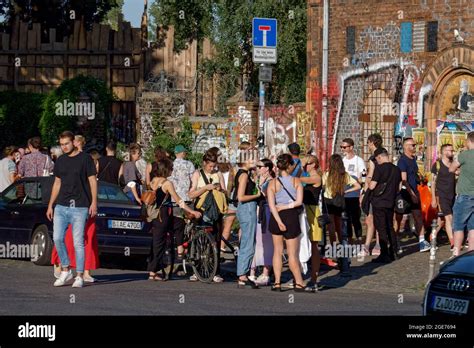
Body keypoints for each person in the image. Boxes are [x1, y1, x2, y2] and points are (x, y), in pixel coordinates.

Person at [46, 131, 97, 288]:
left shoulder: (85, 159)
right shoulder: (60, 160)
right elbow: (57, 183)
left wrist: (94, 202)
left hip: (81, 206)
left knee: (77, 243)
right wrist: (50, 205)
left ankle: (80, 275)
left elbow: (92, 181)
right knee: (57, 238)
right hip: (61, 205)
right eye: (61, 144)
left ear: (74, 142)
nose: (64, 147)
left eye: (66, 143)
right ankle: (66, 269)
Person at [147, 158, 201, 281]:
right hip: (164, 215)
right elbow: (179, 201)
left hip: (154, 215)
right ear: (166, 170)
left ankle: (155, 268)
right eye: (171, 168)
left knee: (157, 241)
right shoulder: (167, 183)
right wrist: (192, 211)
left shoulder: (153, 181)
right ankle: (153, 271)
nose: (172, 170)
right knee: (161, 242)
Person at [267, 154, 305, 292]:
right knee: (292, 253)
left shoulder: (272, 183)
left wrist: (278, 220)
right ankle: (299, 282)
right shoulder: (296, 181)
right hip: (291, 216)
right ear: (289, 166)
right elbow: (299, 202)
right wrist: (286, 206)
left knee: (277, 251)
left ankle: (277, 282)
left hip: (276, 217)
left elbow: (271, 206)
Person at [188, 151, 226, 283]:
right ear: (204, 163)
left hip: (216, 210)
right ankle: (197, 270)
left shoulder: (218, 174)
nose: (212, 168)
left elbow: (225, 191)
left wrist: (220, 189)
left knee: (215, 240)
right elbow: (191, 194)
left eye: (214, 166)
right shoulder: (197, 174)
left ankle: (216, 271)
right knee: (199, 241)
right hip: (202, 210)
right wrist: (206, 188)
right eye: (210, 166)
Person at [232, 143, 261, 289]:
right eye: (252, 159)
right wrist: (256, 195)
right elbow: (241, 197)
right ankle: (242, 274)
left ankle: (243, 273)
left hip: (247, 208)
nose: (255, 161)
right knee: (248, 242)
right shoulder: (243, 175)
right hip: (247, 208)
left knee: (248, 241)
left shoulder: (244, 173)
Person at [395, 137, 431, 253]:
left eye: (414, 145)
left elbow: (413, 174)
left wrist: (420, 179)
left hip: (415, 192)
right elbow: (404, 180)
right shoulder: (402, 161)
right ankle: (395, 241)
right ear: (405, 147)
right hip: (405, 193)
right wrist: (411, 193)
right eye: (412, 145)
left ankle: (421, 241)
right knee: (398, 219)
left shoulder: (413, 159)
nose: (414, 147)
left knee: (418, 216)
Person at [368, 148, 402, 263]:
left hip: (379, 202)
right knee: (390, 227)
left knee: (381, 228)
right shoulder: (397, 170)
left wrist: (368, 178)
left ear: (379, 157)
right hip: (390, 202)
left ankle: (384, 254)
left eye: (377, 160)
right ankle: (394, 252)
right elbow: (398, 187)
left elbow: (372, 186)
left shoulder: (379, 168)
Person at [322, 154, 361, 244]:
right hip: (340, 200)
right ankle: (342, 244)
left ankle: (333, 245)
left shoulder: (327, 174)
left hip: (328, 201)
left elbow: (322, 186)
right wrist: (346, 191)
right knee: (339, 225)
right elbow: (358, 186)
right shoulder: (344, 175)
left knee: (331, 226)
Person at [249, 158, 275, 286]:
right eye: (257, 167)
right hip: (258, 212)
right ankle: (252, 272)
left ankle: (266, 273)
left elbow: (267, 195)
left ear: (267, 169)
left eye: (260, 167)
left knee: (266, 242)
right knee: (256, 241)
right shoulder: (259, 180)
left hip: (267, 214)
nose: (257, 169)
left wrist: (260, 184)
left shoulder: (271, 181)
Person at [300, 154, 323, 292]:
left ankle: (314, 279)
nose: (305, 166)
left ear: (314, 164)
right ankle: (300, 276)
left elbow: (298, 179)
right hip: (303, 211)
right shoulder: (307, 176)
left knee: (314, 245)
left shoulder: (316, 177)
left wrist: (299, 166)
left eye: (307, 164)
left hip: (313, 212)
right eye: (304, 165)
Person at [168, 144, 195, 259]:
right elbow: (194, 181)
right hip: (187, 198)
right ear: (183, 153)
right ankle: (189, 246)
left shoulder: (170, 165)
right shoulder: (189, 164)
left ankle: (179, 248)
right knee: (191, 224)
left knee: (177, 225)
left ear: (175, 153)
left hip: (174, 199)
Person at [449, 131, 474, 256]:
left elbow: (451, 168)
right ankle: (471, 254)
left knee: (458, 224)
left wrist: (460, 171)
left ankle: (456, 253)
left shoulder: (465, 155)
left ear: (469, 141)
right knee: (473, 226)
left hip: (465, 194)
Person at [359, 133, 383, 257]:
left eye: (368, 143)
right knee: (373, 219)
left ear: (372, 143)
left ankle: (370, 246)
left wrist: (364, 191)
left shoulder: (373, 158)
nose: (367, 145)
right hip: (382, 192)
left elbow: (370, 176)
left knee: (371, 219)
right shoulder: (384, 155)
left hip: (374, 191)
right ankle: (373, 245)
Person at [430, 144, 456, 251]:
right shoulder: (437, 165)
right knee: (449, 218)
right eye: (450, 150)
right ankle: (453, 243)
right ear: (444, 152)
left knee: (442, 221)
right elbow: (433, 182)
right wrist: (433, 198)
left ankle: (432, 236)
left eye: (452, 150)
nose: (452, 152)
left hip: (452, 195)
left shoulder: (454, 164)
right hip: (441, 195)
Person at [341, 138, 365, 244]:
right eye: (341, 147)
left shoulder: (358, 160)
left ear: (351, 147)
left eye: (345, 147)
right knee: (346, 218)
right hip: (344, 193)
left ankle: (359, 236)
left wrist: (355, 181)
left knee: (355, 217)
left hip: (355, 193)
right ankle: (350, 239)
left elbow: (363, 177)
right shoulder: (343, 161)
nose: (343, 149)